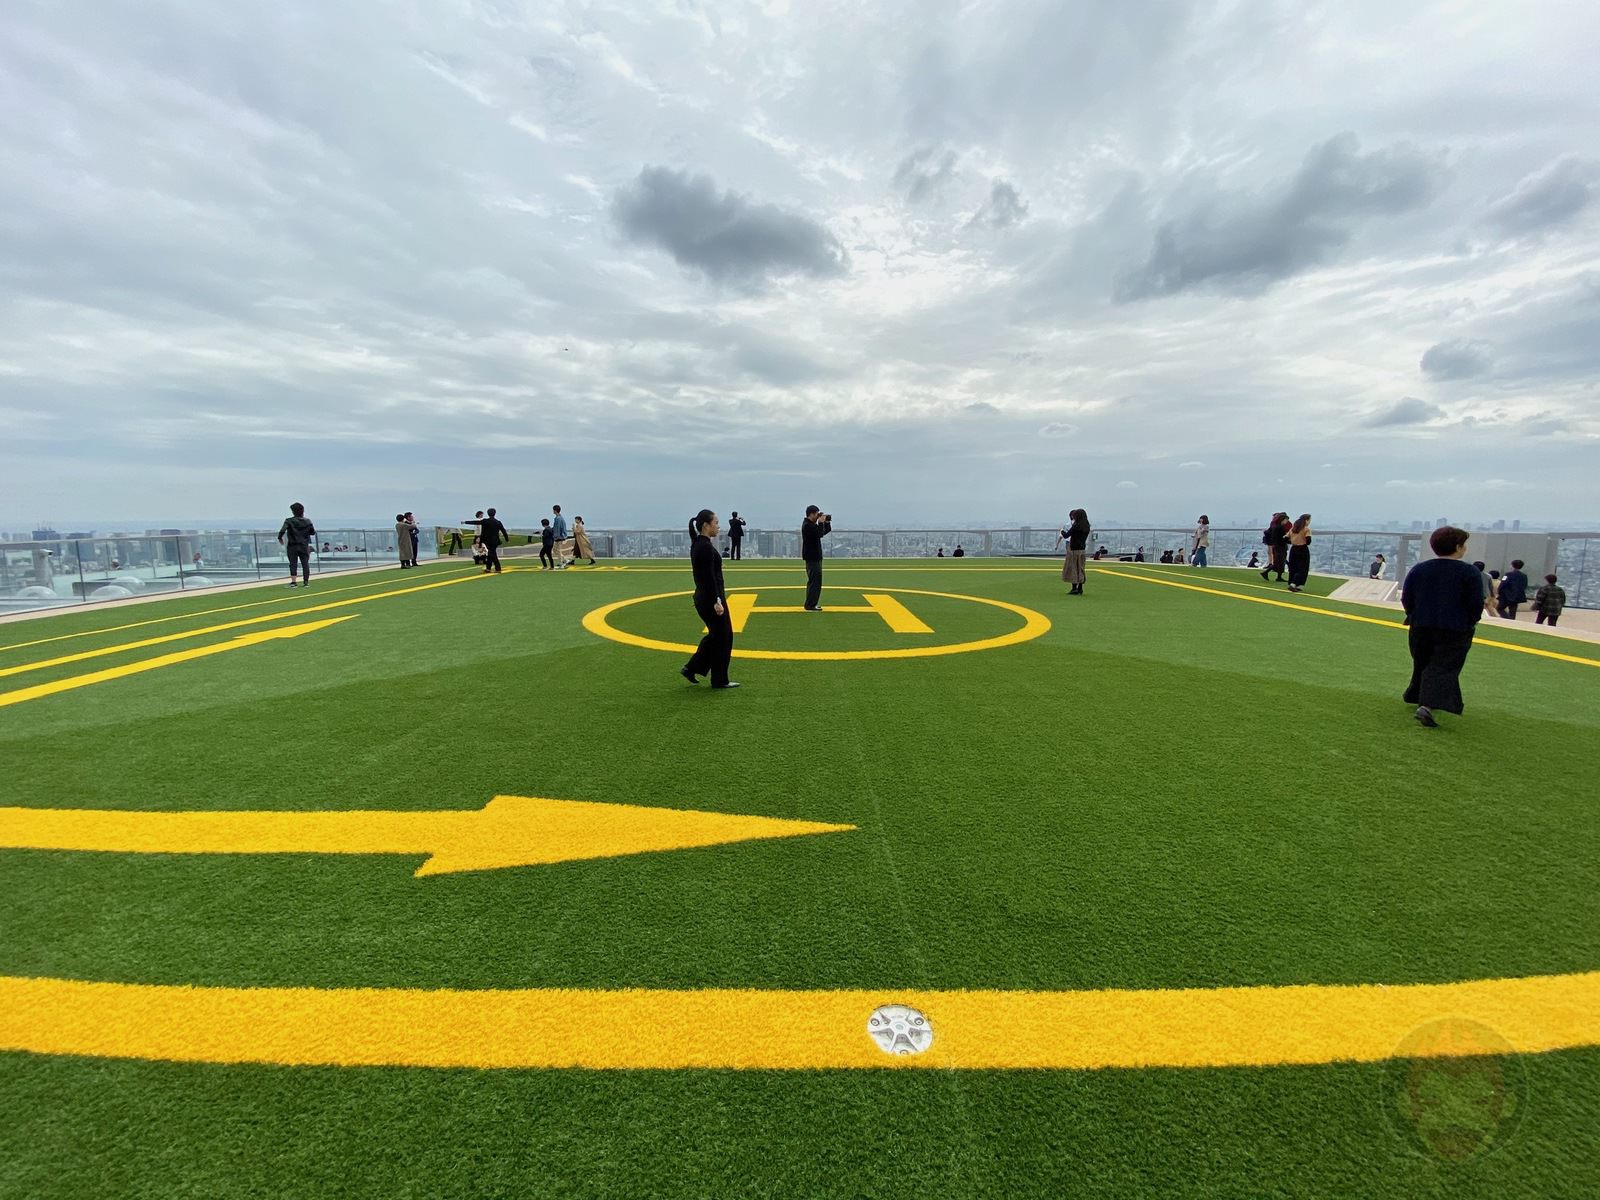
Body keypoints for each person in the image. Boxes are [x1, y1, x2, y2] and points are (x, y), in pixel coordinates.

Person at [1402, 525, 1486, 728]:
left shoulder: (1420, 569)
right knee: (1444, 666)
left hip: (1421, 625)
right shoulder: (1469, 572)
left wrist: (1413, 615)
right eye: (1463, 545)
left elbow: (1408, 598)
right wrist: (1470, 621)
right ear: (1458, 547)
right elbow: (1475, 602)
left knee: (1423, 662)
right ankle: (1427, 705)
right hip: (1455, 628)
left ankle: (1418, 695)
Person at [681, 509, 737, 689]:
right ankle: (719, 679)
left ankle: (692, 668)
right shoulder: (704, 546)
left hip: (706, 598)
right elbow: (708, 577)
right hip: (710, 599)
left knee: (717, 636)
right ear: (706, 525)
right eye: (716, 523)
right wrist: (717, 601)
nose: (718, 526)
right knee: (723, 637)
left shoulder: (699, 543)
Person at [277, 502, 316, 588]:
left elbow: (283, 530)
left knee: (293, 563)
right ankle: (306, 582)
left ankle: (294, 582)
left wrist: (280, 538)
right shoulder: (307, 521)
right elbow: (313, 532)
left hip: (292, 545)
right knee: (305, 563)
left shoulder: (289, 521)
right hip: (304, 545)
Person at [801, 505, 831, 611]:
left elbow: (823, 532)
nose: (818, 516)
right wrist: (821, 522)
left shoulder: (811, 525)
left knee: (816, 581)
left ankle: (811, 604)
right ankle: (810, 604)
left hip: (815, 557)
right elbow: (819, 533)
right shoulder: (807, 525)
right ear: (811, 514)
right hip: (812, 557)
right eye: (816, 514)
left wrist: (826, 523)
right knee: (814, 581)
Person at [1059, 509, 1090, 595]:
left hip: (1074, 549)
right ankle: (1080, 588)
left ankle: (1074, 588)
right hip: (1082, 550)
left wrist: (1061, 530)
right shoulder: (1087, 526)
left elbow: (1066, 535)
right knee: (1081, 568)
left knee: (1073, 569)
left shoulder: (1076, 526)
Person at [471, 508, 508, 574]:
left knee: (492, 554)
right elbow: (503, 530)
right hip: (495, 541)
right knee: (490, 554)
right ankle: (488, 568)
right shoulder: (497, 522)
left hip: (488, 541)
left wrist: (465, 522)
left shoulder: (486, 521)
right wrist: (506, 538)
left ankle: (498, 568)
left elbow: (476, 522)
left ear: (488, 513)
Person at [1285, 514, 1312, 592]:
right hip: (1302, 549)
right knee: (1303, 568)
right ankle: (1295, 584)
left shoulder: (1293, 529)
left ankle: (1292, 583)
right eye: (1309, 520)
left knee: (1293, 567)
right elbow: (1308, 541)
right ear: (1306, 520)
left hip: (1293, 549)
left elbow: (1285, 539)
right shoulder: (1306, 530)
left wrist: (1293, 541)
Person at [1261, 512, 1289, 582]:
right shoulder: (1280, 528)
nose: (1286, 522)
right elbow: (1282, 538)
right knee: (1279, 561)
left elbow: (1268, 533)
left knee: (1279, 561)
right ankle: (1267, 573)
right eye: (1286, 520)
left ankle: (1278, 576)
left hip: (1276, 545)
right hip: (1280, 546)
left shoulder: (1274, 526)